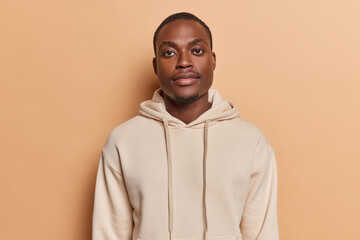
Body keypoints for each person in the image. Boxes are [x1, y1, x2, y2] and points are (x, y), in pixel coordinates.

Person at [92, 12, 279, 240]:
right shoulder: (123, 141)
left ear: (213, 60)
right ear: (155, 65)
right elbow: (108, 234)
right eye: (169, 52)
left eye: (197, 51)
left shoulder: (250, 141)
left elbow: (263, 234)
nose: (183, 62)